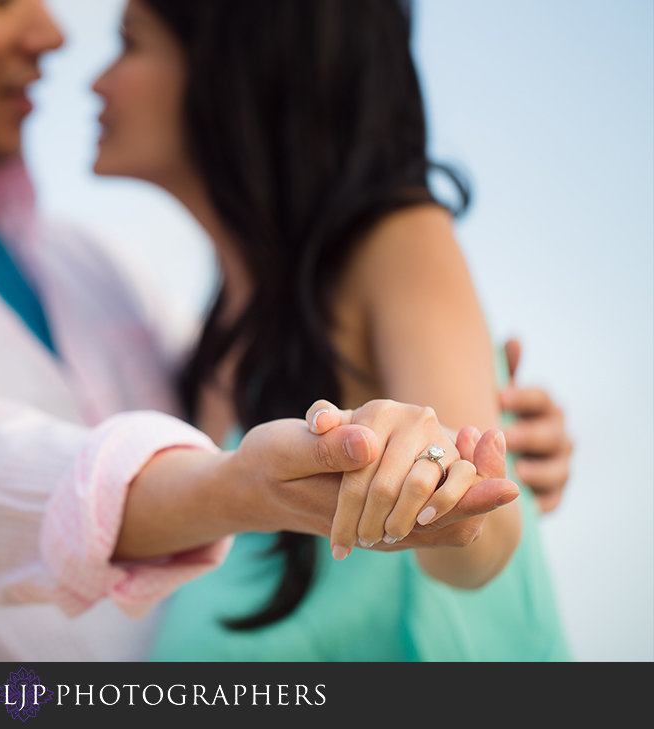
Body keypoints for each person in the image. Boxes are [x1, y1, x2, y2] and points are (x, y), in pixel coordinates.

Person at [0, 0, 566, 662]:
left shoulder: (92, 265)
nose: (53, 34)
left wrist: (472, 434)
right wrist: (232, 486)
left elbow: (297, 413)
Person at [91, 0, 572, 660]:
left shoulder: (396, 243)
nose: (96, 79)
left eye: (130, 43)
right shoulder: (208, 339)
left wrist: (444, 484)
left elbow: (480, 539)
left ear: (233, 69)